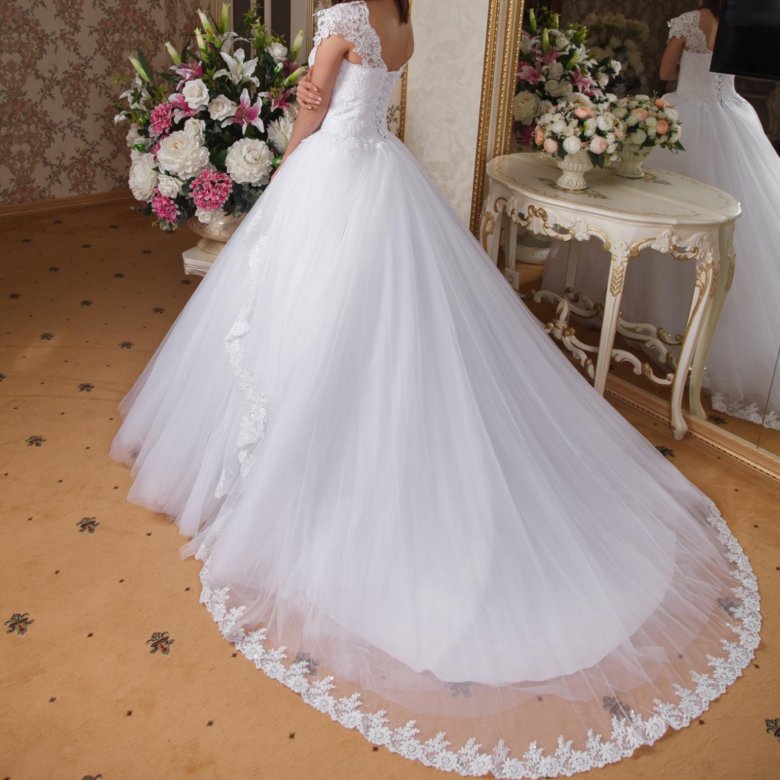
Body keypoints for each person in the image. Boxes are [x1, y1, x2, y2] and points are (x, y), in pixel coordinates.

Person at [110, 1, 759, 776]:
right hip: (382, 173)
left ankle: (287, 469)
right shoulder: (402, 19)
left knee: (308, 321)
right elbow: (352, 93)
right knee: (362, 324)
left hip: (332, 176)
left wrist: (286, 167)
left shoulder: (342, 18)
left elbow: (312, 110)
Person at [544, 0, 780, 428]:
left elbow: (668, 70)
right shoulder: (739, 20)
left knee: (651, 210)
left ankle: (641, 315)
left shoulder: (689, 21)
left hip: (685, 111)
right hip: (731, 116)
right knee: (719, 220)